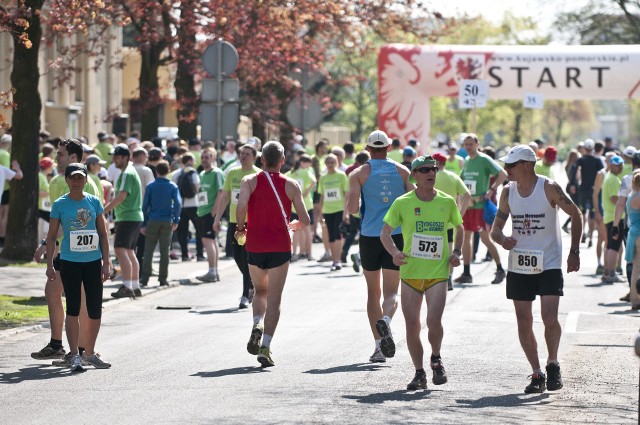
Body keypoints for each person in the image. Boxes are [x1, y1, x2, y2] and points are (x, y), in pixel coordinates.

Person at [490, 145, 582, 394]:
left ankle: (552, 363)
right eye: (506, 165)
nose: (506, 169)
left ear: (527, 165)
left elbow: (575, 214)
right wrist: (503, 239)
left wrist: (574, 251)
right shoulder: (507, 192)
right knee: (524, 320)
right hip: (519, 264)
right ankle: (536, 372)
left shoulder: (549, 187)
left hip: (549, 262)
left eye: (511, 165)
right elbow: (495, 230)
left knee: (550, 318)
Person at [381, 155, 463, 391]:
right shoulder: (402, 202)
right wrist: (395, 253)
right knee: (412, 326)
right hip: (410, 274)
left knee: (433, 321)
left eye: (434, 169)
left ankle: (436, 357)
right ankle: (419, 373)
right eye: (425, 170)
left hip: (437, 272)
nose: (431, 173)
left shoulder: (446, 202)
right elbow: (385, 232)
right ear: (414, 175)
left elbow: (459, 227)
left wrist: (456, 251)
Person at [236, 141, 309, 367]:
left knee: (260, 291)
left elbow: (241, 206)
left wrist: (240, 227)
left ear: (262, 160)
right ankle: (266, 346)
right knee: (274, 299)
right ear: (283, 161)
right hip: (279, 247)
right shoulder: (291, 184)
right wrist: (291, 226)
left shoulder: (249, 181)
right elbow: (305, 221)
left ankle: (257, 321)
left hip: (255, 245)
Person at [31, 138, 102, 363]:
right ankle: (67, 346)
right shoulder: (90, 181)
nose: (56, 158)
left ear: (73, 158)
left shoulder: (69, 183)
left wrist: (46, 244)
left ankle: (77, 349)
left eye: (60, 154)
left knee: (73, 298)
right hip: (70, 248)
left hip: (73, 251)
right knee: (58, 293)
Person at [347, 130, 414, 363]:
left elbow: (353, 209)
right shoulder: (403, 171)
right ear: (388, 148)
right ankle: (386, 320)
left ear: (368, 149)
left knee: (372, 293)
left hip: (369, 236)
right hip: (395, 236)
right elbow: (414, 203)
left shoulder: (359, 173)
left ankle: (378, 347)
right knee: (392, 291)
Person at [45, 163, 112, 371]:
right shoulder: (59, 204)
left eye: (80, 178)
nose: (76, 182)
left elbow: (103, 233)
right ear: (66, 180)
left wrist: (107, 262)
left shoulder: (93, 202)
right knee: (73, 307)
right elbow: (51, 235)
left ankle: (89, 353)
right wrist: (49, 264)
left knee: (94, 309)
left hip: (92, 262)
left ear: (85, 180)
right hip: (70, 262)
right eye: (72, 178)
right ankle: (74, 354)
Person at [455, 133, 508, 284]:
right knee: (465, 238)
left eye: (471, 144)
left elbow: (502, 174)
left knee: (486, 238)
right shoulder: (466, 160)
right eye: (466, 144)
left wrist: (491, 190)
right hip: (469, 206)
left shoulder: (484, 159)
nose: (468, 147)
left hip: (481, 206)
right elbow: (462, 180)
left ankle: (500, 269)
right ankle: (466, 273)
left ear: (477, 144)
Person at [214, 143, 261, 309]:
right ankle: (252, 284)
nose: (243, 156)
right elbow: (225, 196)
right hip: (235, 221)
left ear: (254, 157)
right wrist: (217, 218)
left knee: (247, 257)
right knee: (237, 256)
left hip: (251, 222)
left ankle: (245, 295)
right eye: (242, 153)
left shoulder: (258, 174)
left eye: (247, 154)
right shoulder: (232, 173)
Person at [103, 144, 144, 299]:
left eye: (118, 156)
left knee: (120, 250)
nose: (115, 159)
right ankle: (134, 286)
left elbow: (121, 196)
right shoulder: (129, 172)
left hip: (127, 216)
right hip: (133, 217)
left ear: (126, 157)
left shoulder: (127, 173)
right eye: (114, 156)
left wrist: (104, 210)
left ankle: (127, 286)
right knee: (129, 252)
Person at [432, 152, 471, 290]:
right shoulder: (454, 177)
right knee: (449, 250)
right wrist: (461, 214)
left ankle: (433, 278)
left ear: (435, 163)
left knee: (431, 249)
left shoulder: (430, 177)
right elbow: (467, 195)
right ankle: (448, 280)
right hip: (449, 221)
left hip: (429, 220)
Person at [140, 160, 181, 287]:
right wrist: (176, 220)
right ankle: (162, 279)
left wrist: (143, 223)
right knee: (165, 251)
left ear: (156, 171)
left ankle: (145, 278)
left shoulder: (151, 186)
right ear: (168, 171)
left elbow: (145, 206)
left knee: (149, 250)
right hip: (167, 220)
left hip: (153, 219)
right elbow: (178, 203)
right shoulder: (173, 186)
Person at [195, 148, 225, 283]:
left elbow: (221, 193)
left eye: (207, 157)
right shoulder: (201, 173)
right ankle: (214, 271)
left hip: (210, 213)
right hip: (202, 211)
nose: (204, 160)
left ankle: (212, 272)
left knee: (208, 241)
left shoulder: (217, 173)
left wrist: (215, 211)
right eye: (202, 157)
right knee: (210, 241)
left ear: (213, 158)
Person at [613, 152, 640, 304]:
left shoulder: (627, 179)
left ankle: (633, 294)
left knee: (633, 263)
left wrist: (615, 225)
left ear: (632, 162)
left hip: (631, 226)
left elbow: (620, 203)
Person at [318, 153, 350, 271]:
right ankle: (334, 260)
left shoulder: (341, 176)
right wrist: (320, 213)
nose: (330, 164)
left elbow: (346, 194)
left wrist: (346, 212)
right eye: (328, 162)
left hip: (339, 209)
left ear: (336, 163)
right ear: (325, 164)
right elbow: (321, 196)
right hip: (327, 210)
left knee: (337, 234)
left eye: (332, 162)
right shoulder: (323, 178)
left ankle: (338, 260)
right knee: (331, 235)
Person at [172, 152, 203, 261]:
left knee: (182, 231)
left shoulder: (176, 174)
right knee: (199, 230)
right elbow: (197, 187)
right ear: (189, 161)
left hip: (181, 205)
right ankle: (200, 254)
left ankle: (184, 255)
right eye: (194, 160)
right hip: (194, 204)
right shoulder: (193, 172)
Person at [286, 154, 316, 262]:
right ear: (302, 162)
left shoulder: (290, 173)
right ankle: (308, 254)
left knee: (296, 230)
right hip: (306, 205)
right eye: (307, 162)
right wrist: (307, 192)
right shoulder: (305, 171)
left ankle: (295, 254)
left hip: (294, 205)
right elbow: (314, 181)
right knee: (307, 230)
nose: (309, 165)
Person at [600, 155, 626, 283]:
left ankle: (608, 273)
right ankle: (611, 273)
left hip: (610, 217)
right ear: (611, 165)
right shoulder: (613, 179)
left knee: (611, 246)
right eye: (618, 165)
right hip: (615, 217)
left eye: (621, 164)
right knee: (614, 247)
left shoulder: (610, 177)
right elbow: (614, 199)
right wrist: (625, 203)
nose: (620, 167)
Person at [575, 139, 604, 247]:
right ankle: (591, 237)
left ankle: (583, 234)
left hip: (583, 190)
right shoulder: (597, 161)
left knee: (583, 213)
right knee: (592, 214)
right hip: (593, 190)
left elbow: (574, 170)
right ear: (592, 148)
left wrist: (573, 184)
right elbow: (603, 173)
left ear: (585, 148)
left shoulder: (581, 160)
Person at [623, 170, 640, 310]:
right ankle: (635, 299)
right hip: (638, 234)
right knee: (637, 269)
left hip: (634, 233)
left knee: (636, 268)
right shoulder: (638, 197)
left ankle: (635, 298)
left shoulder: (632, 195)